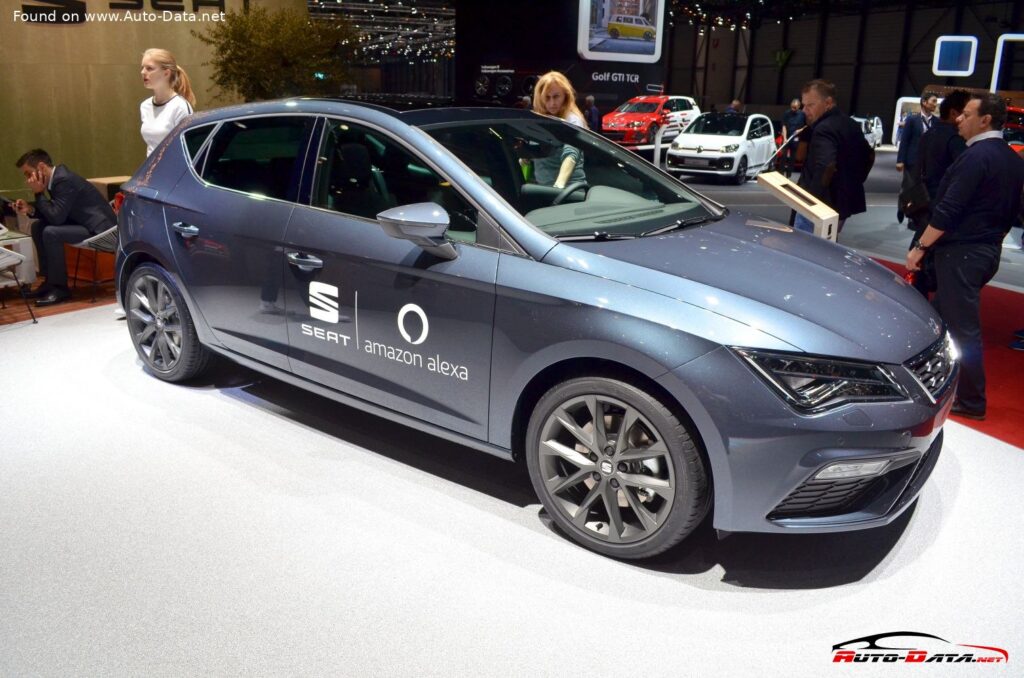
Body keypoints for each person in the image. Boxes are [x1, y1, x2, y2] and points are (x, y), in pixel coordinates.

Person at [906, 93, 1024, 420]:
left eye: (968, 114)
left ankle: (972, 401)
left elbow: (948, 210)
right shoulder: (1011, 158)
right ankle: (928, 380)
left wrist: (920, 248)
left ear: (985, 120)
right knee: (936, 319)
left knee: (962, 329)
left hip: (963, 254)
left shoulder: (976, 157)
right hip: (985, 252)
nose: (959, 118)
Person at [11, 149, 117, 306]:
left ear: (41, 167)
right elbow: (56, 213)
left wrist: (39, 194)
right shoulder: (56, 179)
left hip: (100, 230)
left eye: (28, 174)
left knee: (51, 232)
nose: (28, 180)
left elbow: (56, 218)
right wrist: (31, 209)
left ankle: (60, 289)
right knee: (38, 227)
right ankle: (50, 282)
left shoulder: (63, 180)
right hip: (83, 223)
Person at [905, 90, 970, 296]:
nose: (966, 118)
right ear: (954, 113)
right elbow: (963, 179)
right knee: (940, 267)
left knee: (919, 263)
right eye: (965, 113)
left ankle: (916, 299)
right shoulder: (956, 140)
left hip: (923, 202)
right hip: (943, 208)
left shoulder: (928, 134)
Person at [793, 79, 873, 234]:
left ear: (828, 103)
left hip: (819, 207)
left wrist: (811, 202)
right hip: (841, 205)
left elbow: (826, 166)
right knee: (826, 246)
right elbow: (868, 157)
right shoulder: (851, 124)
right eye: (804, 105)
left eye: (810, 105)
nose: (804, 110)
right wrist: (851, 183)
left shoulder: (823, 128)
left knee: (804, 245)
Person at [528, 71, 586, 188]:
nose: (552, 103)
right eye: (547, 97)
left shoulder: (573, 120)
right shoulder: (538, 120)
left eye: (556, 97)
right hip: (542, 188)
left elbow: (571, 155)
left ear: (565, 96)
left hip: (568, 190)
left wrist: (559, 185)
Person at [140, 48, 196, 157]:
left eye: (149, 68)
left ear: (166, 73)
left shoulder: (180, 107)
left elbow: (188, 149)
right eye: (142, 67)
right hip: (152, 166)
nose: (143, 72)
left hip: (174, 166)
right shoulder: (145, 106)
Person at [895, 92, 937, 223]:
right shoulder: (912, 120)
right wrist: (900, 160)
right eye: (933, 101)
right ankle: (902, 207)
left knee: (922, 189)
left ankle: (915, 214)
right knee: (908, 187)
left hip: (928, 162)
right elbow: (905, 140)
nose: (935, 104)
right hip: (912, 160)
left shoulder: (936, 121)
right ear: (924, 102)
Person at [780, 98, 806, 177]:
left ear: (799, 106)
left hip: (795, 138)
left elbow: (806, 125)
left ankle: (788, 175)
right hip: (787, 137)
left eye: (795, 107)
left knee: (792, 157)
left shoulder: (802, 114)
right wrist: (784, 138)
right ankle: (781, 174)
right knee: (783, 156)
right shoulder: (786, 113)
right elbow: (784, 126)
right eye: (792, 107)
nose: (793, 109)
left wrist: (800, 130)